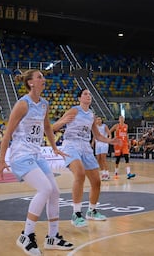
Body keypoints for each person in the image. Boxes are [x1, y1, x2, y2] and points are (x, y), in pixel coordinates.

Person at [0, 69, 74, 255]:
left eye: (43, 77)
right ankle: (26, 235)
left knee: (55, 191)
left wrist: (54, 147)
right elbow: (7, 135)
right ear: (31, 83)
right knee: (45, 189)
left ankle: (52, 237)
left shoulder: (44, 104)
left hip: (37, 154)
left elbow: (47, 127)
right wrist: (0, 161)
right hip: (21, 155)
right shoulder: (23, 104)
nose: (43, 79)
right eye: (39, 77)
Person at [52, 89, 120, 228]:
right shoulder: (74, 111)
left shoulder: (91, 115)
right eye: (85, 94)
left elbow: (98, 136)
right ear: (79, 98)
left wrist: (110, 141)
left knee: (96, 182)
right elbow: (54, 127)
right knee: (80, 174)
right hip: (71, 145)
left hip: (86, 147)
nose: (88, 96)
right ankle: (76, 214)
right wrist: (64, 121)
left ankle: (92, 211)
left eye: (90, 94)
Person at [92, 116, 111, 180]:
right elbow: (95, 135)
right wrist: (92, 143)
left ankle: (107, 173)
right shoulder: (95, 127)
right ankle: (103, 173)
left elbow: (109, 133)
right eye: (97, 119)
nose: (98, 120)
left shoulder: (104, 126)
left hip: (104, 143)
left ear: (101, 120)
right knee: (98, 159)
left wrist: (109, 139)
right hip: (97, 143)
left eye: (99, 119)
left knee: (103, 158)